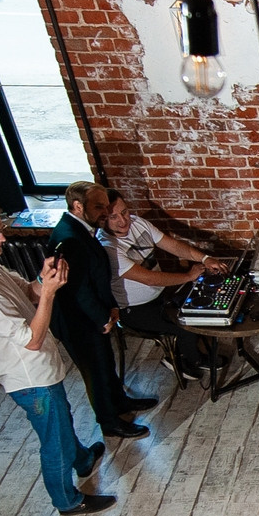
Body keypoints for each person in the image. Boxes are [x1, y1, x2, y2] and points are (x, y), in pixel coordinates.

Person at [0, 196, 113, 516]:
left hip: (38, 366)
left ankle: (83, 460)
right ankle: (67, 500)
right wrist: (49, 293)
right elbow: (32, 341)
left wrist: (42, 280)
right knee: (54, 440)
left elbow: (26, 291)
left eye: (0, 229)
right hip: (29, 375)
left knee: (61, 419)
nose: (2, 238)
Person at [49, 181, 152, 440]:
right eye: (98, 207)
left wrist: (110, 307)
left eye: (106, 206)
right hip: (78, 320)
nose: (105, 213)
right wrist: (102, 316)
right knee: (94, 372)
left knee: (105, 362)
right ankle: (109, 422)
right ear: (77, 206)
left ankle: (120, 402)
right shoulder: (70, 237)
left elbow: (96, 277)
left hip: (94, 312)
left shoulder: (81, 228)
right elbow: (79, 288)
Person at [98, 190, 226, 382]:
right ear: (102, 219)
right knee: (184, 324)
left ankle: (185, 353)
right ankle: (190, 361)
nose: (123, 220)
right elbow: (150, 279)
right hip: (133, 309)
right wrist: (188, 276)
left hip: (159, 296)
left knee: (200, 306)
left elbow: (173, 246)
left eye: (124, 212)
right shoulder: (108, 247)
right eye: (113, 217)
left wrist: (205, 258)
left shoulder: (138, 222)